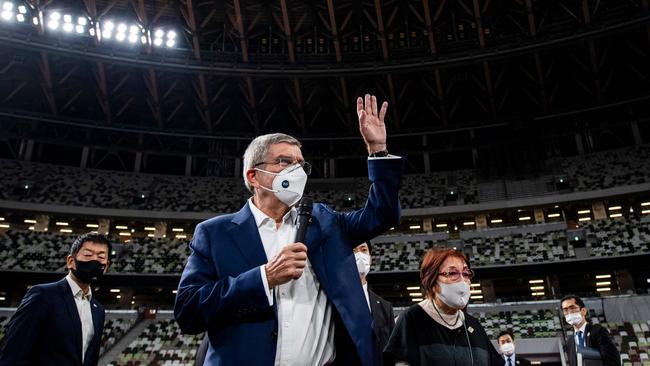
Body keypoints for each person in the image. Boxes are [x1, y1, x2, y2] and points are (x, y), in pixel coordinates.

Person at [175, 94, 402, 366]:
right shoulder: (215, 234)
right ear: (253, 176)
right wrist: (264, 278)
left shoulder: (325, 221)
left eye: (300, 163)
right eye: (284, 161)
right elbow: (188, 311)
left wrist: (378, 150)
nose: (297, 170)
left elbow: (383, 214)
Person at [0, 232, 111, 366]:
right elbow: (14, 353)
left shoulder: (98, 310)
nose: (95, 260)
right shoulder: (43, 295)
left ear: (106, 266)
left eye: (101, 257)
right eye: (88, 255)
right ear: (71, 261)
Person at [384, 247, 503, 366]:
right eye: (452, 273)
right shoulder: (411, 319)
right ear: (432, 281)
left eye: (466, 274)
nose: (462, 281)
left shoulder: (474, 325)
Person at [353, 241, 395, 366]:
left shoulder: (385, 307)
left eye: (363, 250)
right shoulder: (332, 300)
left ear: (370, 258)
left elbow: (391, 350)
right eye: (353, 250)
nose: (359, 255)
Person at [561, 295, 621, 366]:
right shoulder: (570, 341)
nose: (569, 312)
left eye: (572, 308)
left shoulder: (598, 331)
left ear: (583, 311)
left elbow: (613, 361)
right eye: (565, 310)